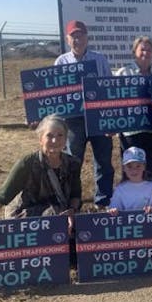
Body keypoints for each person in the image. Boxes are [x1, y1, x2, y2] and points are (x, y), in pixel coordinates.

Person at [0, 115, 81, 223]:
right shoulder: (27, 163)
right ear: (41, 139)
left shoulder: (73, 163)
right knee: (54, 216)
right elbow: (2, 196)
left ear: (66, 140)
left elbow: (75, 194)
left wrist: (72, 210)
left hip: (60, 213)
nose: (55, 141)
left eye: (60, 135)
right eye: (49, 135)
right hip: (26, 215)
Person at [55, 20, 114, 209]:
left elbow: (109, 89)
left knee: (103, 162)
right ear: (67, 39)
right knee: (72, 163)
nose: (77, 40)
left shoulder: (100, 60)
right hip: (73, 121)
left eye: (81, 35)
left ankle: (103, 201)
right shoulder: (61, 62)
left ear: (87, 38)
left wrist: (111, 120)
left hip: (99, 118)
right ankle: (73, 203)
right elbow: (54, 94)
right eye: (73, 36)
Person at [116, 36, 152, 181]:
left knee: (150, 168)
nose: (146, 52)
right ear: (134, 51)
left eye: (149, 50)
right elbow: (114, 102)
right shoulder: (123, 73)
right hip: (130, 130)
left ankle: (149, 201)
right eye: (142, 49)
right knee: (130, 168)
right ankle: (129, 201)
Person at [108, 147, 152, 214]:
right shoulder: (120, 189)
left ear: (144, 166)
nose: (134, 170)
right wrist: (113, 211)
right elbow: (113, 211)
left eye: (138, 166)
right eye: (129, 166)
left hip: (149, 224)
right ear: (124, 168)